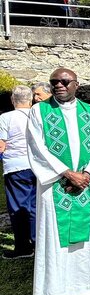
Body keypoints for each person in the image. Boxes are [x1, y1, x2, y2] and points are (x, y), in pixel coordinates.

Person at [26, 68, 90, 295]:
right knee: (54, 239)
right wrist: (67, 174)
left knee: (86, 239)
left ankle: (85, 285)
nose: (59, 85)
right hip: (54, 186)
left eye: (64, 81)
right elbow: (37, 148)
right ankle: (55, 294)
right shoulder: (39, 111)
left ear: (76, 84)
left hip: (85, 184)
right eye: (54, 82)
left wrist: (87, 175)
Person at [0, 86, 36, 259]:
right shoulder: (38, 116)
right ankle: (38, 243)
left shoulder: (6, 117)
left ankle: (23, 247)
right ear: (31, 100)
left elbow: (1, 145)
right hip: (38, 165)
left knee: (18, 207)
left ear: (12, 100)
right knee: (35, 206)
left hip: (16, 167)